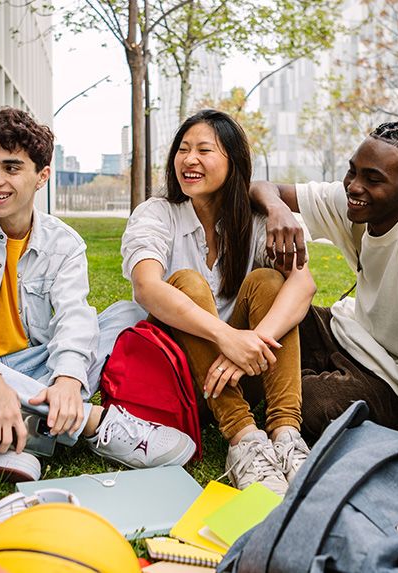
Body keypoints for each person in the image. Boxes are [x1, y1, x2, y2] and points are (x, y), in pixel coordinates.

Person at [0, 107, 195, 478]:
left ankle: (12, 430)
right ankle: (92, 422)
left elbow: (74, 315)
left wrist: (69, 379)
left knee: (127, 315)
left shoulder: (64, 243)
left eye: (11, 168)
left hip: (30, 368)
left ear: (42, 176)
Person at [121, 110, 317, 496]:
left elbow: (304, 284)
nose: (189, 159)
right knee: (187, 284)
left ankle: (286, 436)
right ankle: (243, 438)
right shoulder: (157, 213)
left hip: (246, 367)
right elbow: (146, 286)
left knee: (269, 280)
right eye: (183, 149)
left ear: (234, 161)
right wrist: (225, 336)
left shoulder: (255, 220)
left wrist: (248, 341)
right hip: (184, 379)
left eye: (204, 150)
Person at [249, 122, 398, 441]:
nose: (354, 186)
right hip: (349, 333)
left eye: (373, 178)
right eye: (353, 171)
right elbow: (260, 187)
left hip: (397, 379)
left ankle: (298, 382)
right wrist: (277, 210)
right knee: (267, 296)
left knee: (311, 405)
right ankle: (302, 378)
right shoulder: (353, 201)